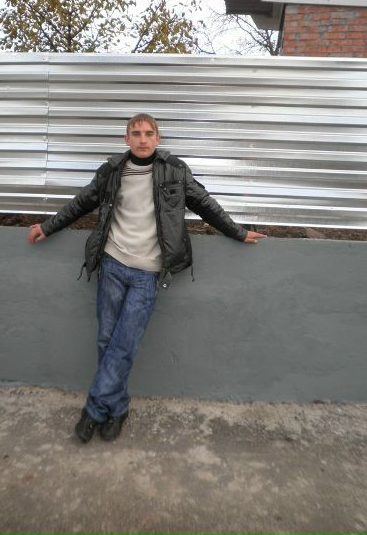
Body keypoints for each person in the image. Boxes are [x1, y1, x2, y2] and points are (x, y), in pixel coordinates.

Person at [28, 113, 266, 443]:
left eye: (148, 133)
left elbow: (204, 204)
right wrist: (48, 226)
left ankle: (94, 410)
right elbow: (81, 203)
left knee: (124, 344)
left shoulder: (175, 170)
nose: (142, 139)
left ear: (158, 138)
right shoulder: (112, 171)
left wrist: (237, 232)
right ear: (126, 139)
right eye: (136, 133)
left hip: (148, 272)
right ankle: (117, 408)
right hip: (112, 265)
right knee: (106, 340)